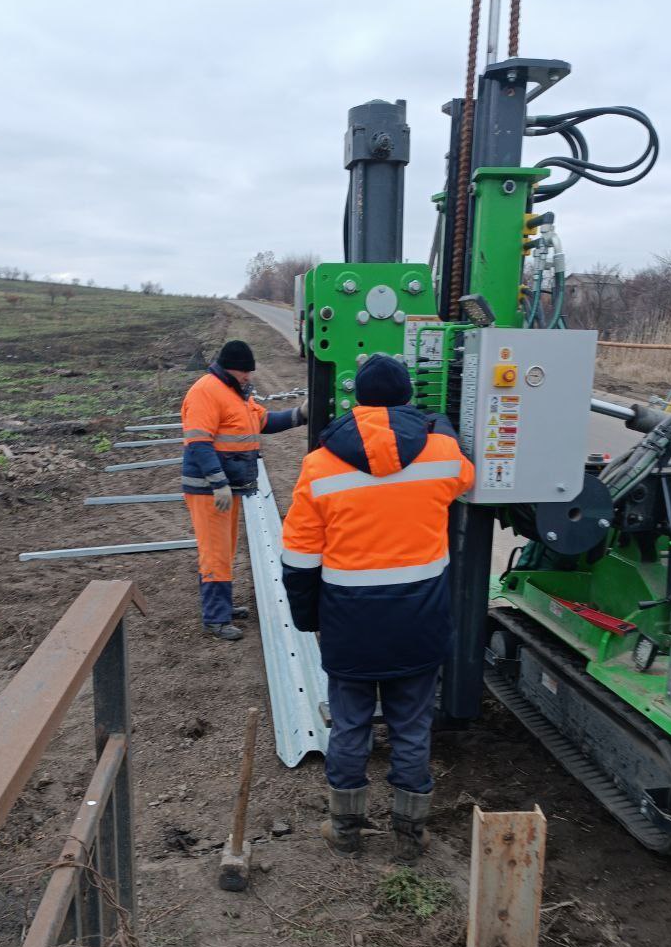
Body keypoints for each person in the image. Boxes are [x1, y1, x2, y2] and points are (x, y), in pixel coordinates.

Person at [281, 354, 474, 859]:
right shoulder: (440, 455)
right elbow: (466, 475)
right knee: (412, 727)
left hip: (350, 627)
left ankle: (345, 829)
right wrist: (444, 424)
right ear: (409, 396)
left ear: (356, 400)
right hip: (420, 624)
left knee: (350, 726)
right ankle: (410, 835)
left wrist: (309, 620)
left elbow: (298, 559)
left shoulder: (319, 465)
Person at [181, 340, 307, 640]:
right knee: (216, 553)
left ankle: (221, 606)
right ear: (229, 368)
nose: (249, 377)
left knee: (226, 549)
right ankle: (215, 618)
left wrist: (301, 414)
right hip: (209, 490)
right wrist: (218, 483)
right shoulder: (206, 391)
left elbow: (263, 421)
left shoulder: (236, 394)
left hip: (229, 487)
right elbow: (198, 442)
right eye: (244, 372)